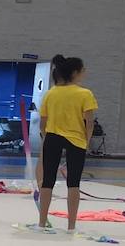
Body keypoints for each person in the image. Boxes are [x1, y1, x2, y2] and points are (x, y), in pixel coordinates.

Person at [36, 55, 97, 232]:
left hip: (52, 137)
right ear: (75, 72)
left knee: (47, 182)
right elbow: (89, 123)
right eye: (83, 69)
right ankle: (71, 226)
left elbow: (42, 123)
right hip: (76, 140)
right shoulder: (85, 94)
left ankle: (41, 223)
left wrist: (45, 138)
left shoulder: (51, 93)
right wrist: (86, 141)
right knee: (74, 183)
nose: (85, 72)